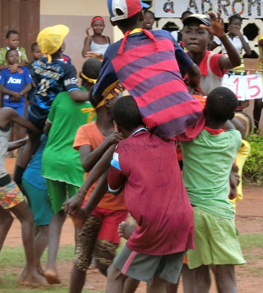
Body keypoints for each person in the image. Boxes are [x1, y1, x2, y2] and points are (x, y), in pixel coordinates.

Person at [105, 96, 195, 293]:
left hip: (155, 225)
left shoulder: (123, 149)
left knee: (115, 274)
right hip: (183, 220)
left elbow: (112, 187)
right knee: (157, 281)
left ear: (116, 125)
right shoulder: (166, 139)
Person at [93, 0, 203, 141]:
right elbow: (194, 72)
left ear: (112, 22)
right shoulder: (165, 36)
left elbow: (98, 94)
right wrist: (195, 87)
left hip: (159, 130)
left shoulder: (114, 52)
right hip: (193, 117)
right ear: (141, 16)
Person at [39, 58, 101, 284]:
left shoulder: (61, 97)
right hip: (76, 163)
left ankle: (51, 266)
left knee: (57, 214)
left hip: (51, 160)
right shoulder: (96, 104)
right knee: (79, 216)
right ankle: (80, 266)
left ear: (81, 77)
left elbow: (47, 128)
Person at [0, 78, 46, 286]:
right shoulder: (5, 113)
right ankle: (31, 273)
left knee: (5, 219)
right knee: (28, 218)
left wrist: (21, 142)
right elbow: (33, 128)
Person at [181, 87, 245, 293]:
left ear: (204, 111)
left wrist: (203, 105)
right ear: (230, 116)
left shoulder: (189, 139)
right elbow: (235, 126)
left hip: (192, 214)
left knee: (195, 278)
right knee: (227, 278)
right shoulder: (234, 139)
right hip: (220, 215)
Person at [68, 91, 130, 293]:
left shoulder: (122, 130)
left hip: (117, 208)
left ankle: (125, 285)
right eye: (118, 95)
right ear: (107, 102)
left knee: (104, 260)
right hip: (90, 205)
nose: (122, 97)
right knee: (81, 260)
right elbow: (87, 164)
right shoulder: (86, 130)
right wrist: (109, 141)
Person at [14, 24, 90, 187]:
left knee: (30, 143)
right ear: (60, 46)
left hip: (34, 112)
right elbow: (75, 94)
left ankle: (18, 180)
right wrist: (96, 95)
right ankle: (48, 182)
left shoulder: (38, 63)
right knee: (52, 145)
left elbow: (35, 81)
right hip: (51, 117)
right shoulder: (66, 68)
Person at [184, 13, 241, 95]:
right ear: (182, 35)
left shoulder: (214, 60)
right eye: (188, 31)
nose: (193, 36)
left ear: (210, 38)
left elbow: (235, 62)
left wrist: (222, 37)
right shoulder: (177, 60)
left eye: (200, 32)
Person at [21, 135, 51, 276]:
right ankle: (28, 272)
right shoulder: (63, 133)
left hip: (29, 177)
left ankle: (36, 268)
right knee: (47, 229)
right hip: (40, 181)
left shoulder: (43, 132)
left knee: (37, 225)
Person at [0, 49, 33, 145]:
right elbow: (1, 87)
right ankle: (9, 147)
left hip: (20, 102)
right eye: (11, 55)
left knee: (19, 124)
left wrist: (20, 94)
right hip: (8, 102)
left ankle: (18, 147)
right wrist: (13, 94)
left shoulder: (24, 71)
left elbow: (29, 85)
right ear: (6, 59)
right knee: (8, 125)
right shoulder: (4, 72)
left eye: (16, 55)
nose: (14, 57)